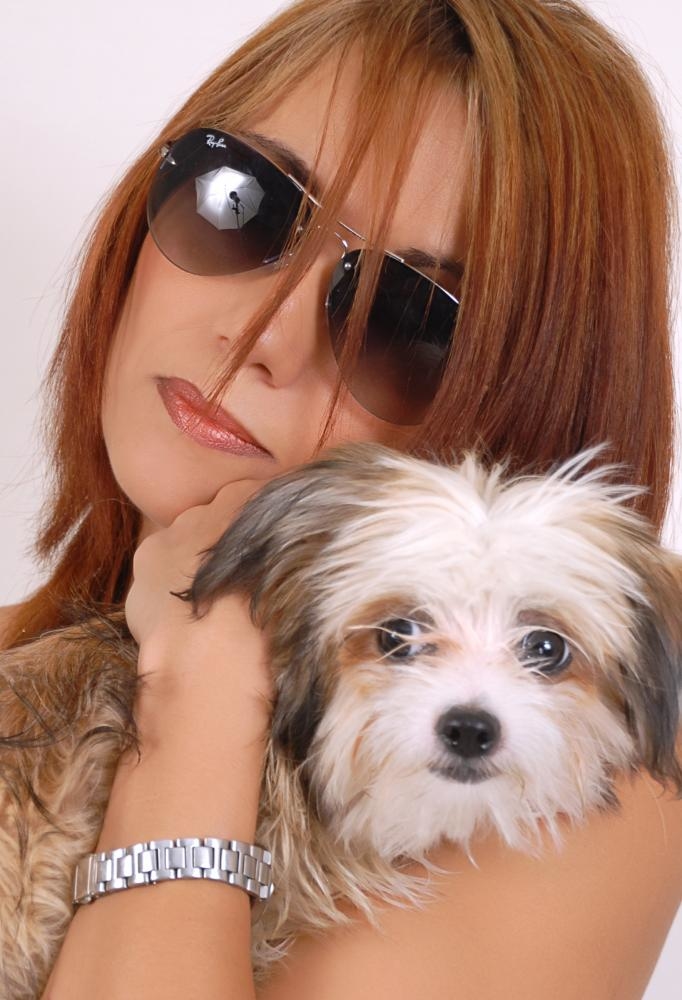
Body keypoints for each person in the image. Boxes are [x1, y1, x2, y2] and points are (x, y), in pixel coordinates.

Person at [2, 0, 680, 996]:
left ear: (522, 422)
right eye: (241, 203)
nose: (262, 336)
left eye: (405, 318)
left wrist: (202, 702)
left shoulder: (571, 762)